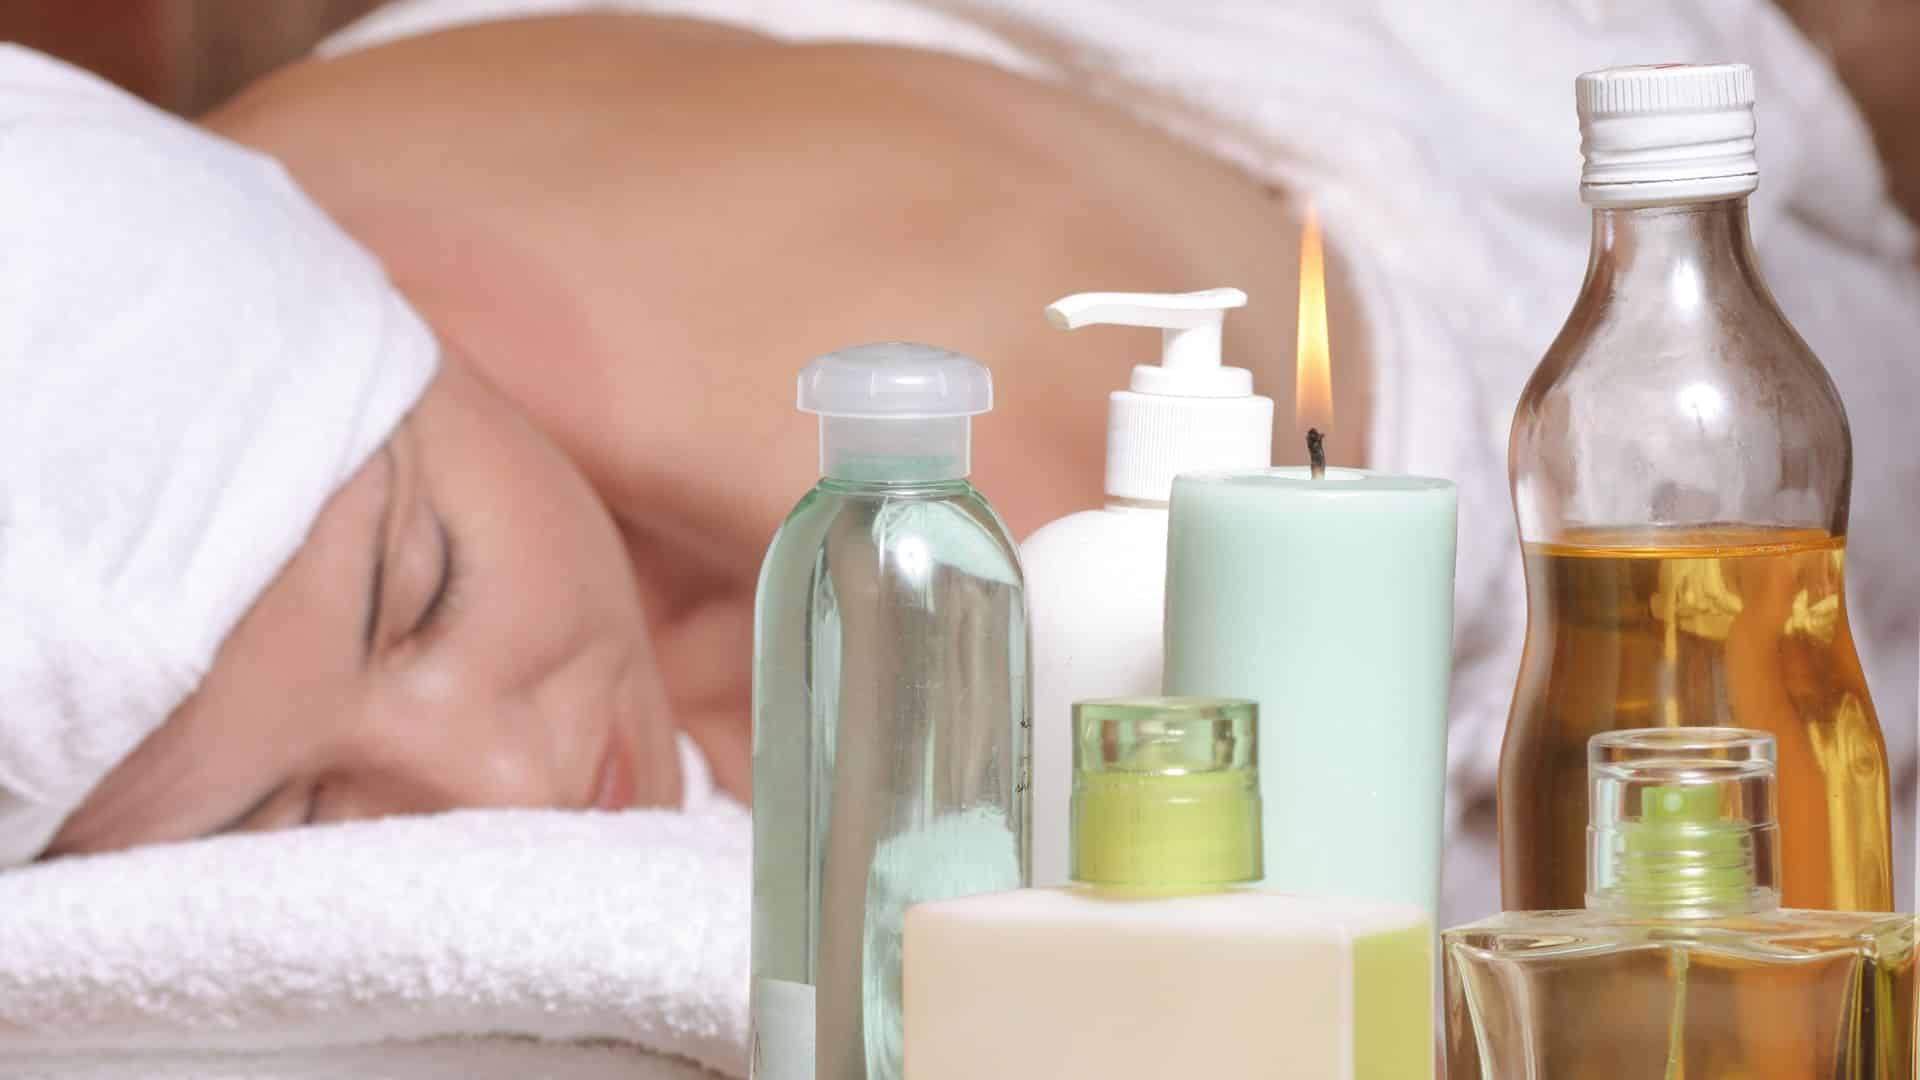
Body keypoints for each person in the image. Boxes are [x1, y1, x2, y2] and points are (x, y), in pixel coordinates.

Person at [16, 0, 1920, 930]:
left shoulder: (904, 450)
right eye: (288, 826)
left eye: (426, 592)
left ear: (415, 338)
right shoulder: (124, 528)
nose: (505, 778)